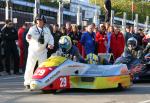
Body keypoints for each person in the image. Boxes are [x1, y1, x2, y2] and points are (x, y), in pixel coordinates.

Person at [24, 14, 54, 89]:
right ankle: (27, 82)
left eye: (41, 20)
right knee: (30, 66)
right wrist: (28, 37)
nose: (39, 22)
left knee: (42, 67)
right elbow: (28, 36)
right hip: (33, 51)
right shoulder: (32, 28)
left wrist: (50, 44)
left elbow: (51, 38)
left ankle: (41, 81)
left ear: (44, 21)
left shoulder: (47, 29)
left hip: (43, 51)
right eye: (38, 20)